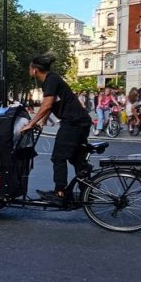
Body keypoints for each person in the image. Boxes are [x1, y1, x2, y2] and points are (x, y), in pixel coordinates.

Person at [22, 53, 92, 205]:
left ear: (35, 70)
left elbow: (47, 104)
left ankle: (60, 193)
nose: (29, 70)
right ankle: (88, 190)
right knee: (76, 159)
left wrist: (31, 123)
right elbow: (52, 104)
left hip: (73, 123)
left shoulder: (50, 80)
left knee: (58, 158)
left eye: (29, 68)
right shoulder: (52, 79)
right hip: (80, 121)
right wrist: (44, 121)